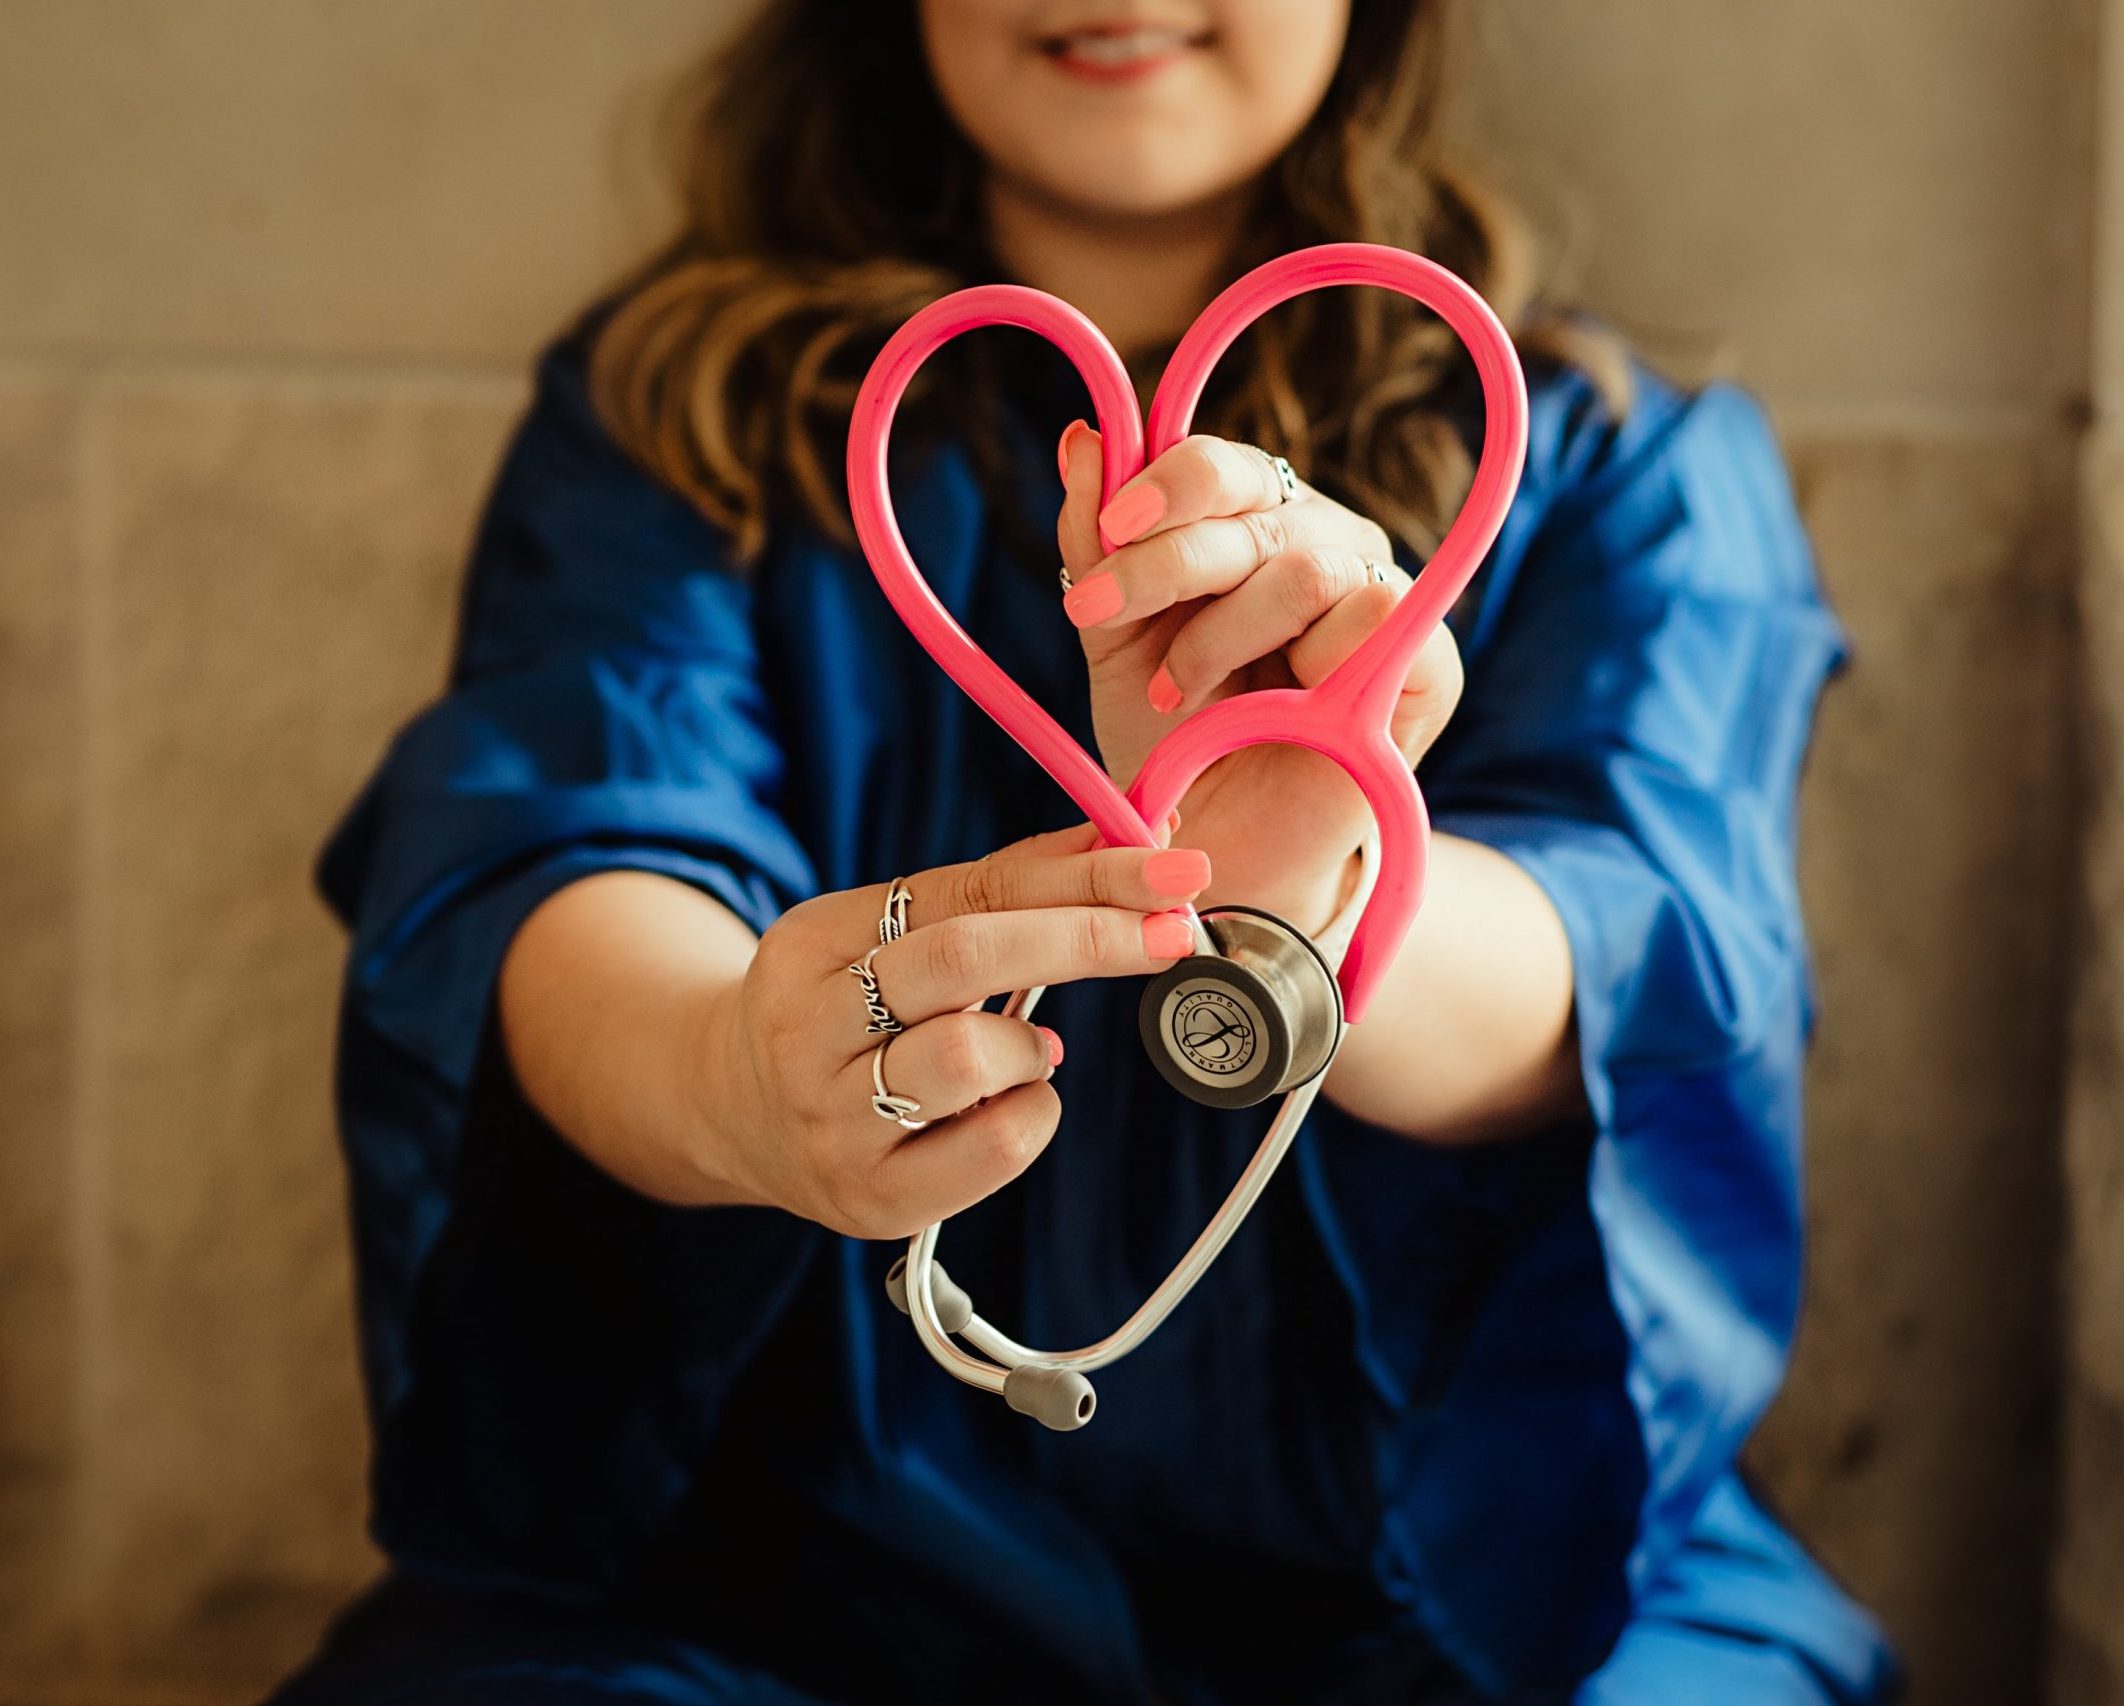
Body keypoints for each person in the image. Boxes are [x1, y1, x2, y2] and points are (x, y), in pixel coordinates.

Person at [271, 2, 1901, 1701]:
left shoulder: (1614, 460)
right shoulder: (672, 423)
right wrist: (731, 1076)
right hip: (779, 1584)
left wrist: (1300, 903)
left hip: (1486, 1584)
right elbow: (553, 849)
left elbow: (1639, 954)